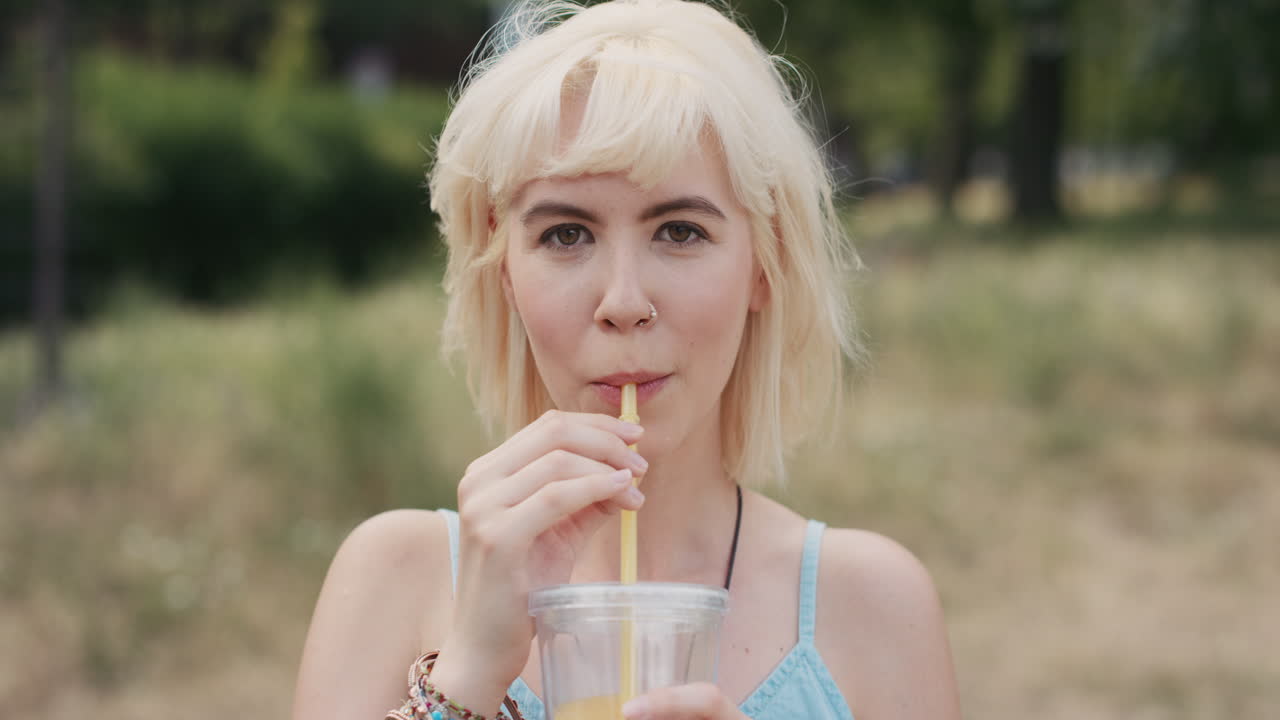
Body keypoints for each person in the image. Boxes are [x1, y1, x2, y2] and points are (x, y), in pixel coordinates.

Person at [291, 1, 961, 719]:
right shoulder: (395, 577)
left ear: (766, 265)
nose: (623, 300)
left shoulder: (873, 605)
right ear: (506, 271)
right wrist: (468, 674)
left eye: (679, 230)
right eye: (566, 234)